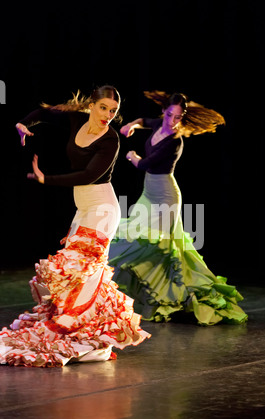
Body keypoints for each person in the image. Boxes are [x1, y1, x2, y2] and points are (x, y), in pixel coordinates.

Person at [0, 85, 151, 367]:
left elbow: (89, 174)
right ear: (91, 106)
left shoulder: (111, 141)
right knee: (78, 277)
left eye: (113, 111)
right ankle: (90, 337)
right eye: (103, 108)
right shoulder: (77, 119)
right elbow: (47, 111)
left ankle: (84, 336)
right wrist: (23, 123)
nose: (107, 115)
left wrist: (47, 180)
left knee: (84, 272)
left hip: (103, 209)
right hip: (83, 208)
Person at [108, 90, 247, 326]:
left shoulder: (174, 141)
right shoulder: (158, 125)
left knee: (164, 247)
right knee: (136, 238)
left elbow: (144, 164)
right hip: (148, 193)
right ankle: (144, 294)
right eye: (170, 115)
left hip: (166, 196)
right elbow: (144, 120)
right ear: (164, 111)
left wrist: (131, 155)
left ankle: (170, 298)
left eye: (178, 117)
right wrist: (132, 124)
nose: (173, 121)